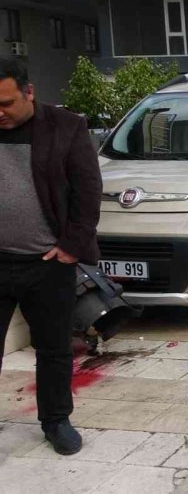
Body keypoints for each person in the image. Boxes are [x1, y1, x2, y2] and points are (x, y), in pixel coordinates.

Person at [0, 57, 102, 455]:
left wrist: (70, 248)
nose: (1, 112)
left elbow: (87, 193)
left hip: (47, 264)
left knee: (54, 348)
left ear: (29, 92)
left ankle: (56, 420)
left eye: (7, 102)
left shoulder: (66, 128)